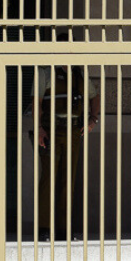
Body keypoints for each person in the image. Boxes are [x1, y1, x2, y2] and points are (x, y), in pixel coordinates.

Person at [34, 63, 99, 241]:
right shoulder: (46, 73)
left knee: (68, 180)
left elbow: (95, 96)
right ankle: (44, 229)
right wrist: (39, 128)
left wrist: (93, 119)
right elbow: (37, 102)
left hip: (73, 132)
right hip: (50, 131)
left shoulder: (79, 74)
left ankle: (64, 230)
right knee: (48, 178)